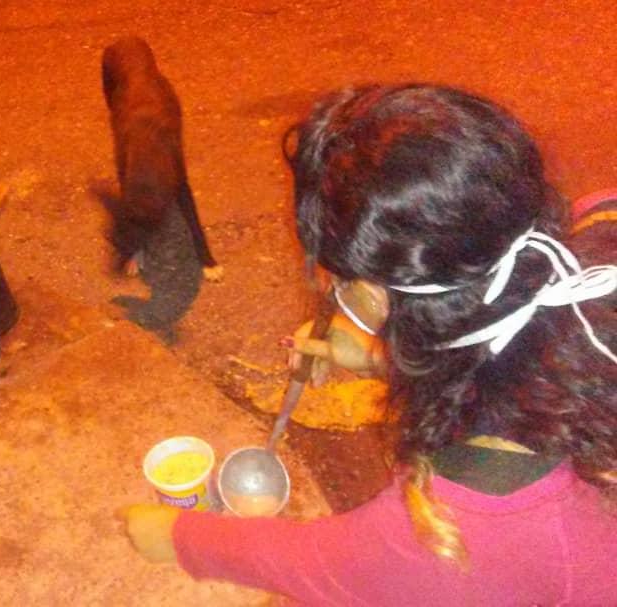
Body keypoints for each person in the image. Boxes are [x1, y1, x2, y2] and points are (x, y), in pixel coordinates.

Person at [117, 83, 617, 605]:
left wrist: (178, 538)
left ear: (374, 294)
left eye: (337, 279)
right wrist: (380, 358)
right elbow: (514, 361)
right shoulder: (600, 233)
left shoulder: (470, 521)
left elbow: (335, 565)